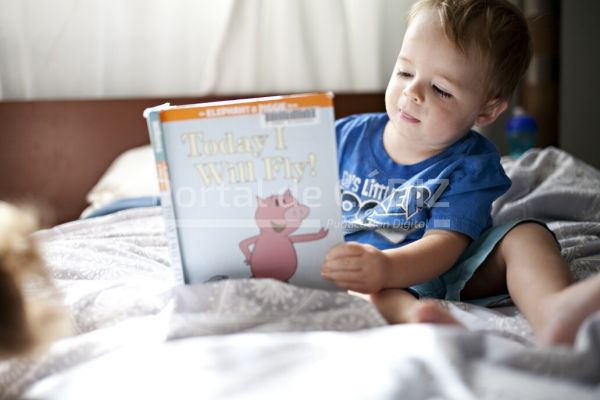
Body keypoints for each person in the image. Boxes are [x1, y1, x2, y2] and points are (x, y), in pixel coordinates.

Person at [321, 0, 600, 346]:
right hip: (369, 271)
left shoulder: (471, 163)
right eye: (405, 72)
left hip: (452, 265)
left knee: (526, 234)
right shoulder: (344, 136)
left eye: (440, 89)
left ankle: (552, 309)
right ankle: (416, 318)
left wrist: (387, 266)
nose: (412, 92)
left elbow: (444, 245)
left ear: (486, 110)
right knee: (359, 286)